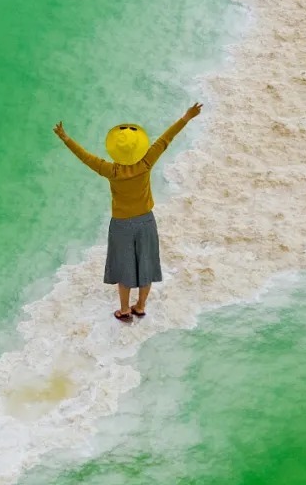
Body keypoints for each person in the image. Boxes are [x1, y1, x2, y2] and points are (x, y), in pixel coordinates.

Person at [54, 103, 201, 322]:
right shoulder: (146, 163)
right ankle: (140, 306)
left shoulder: (110, 170)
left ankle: (124, 310)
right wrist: (186, 117)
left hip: (121, 223)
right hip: (146, 220)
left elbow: (85, 157)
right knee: (146, 264)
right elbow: (165, 140)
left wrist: (66, 138)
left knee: (124, 267)